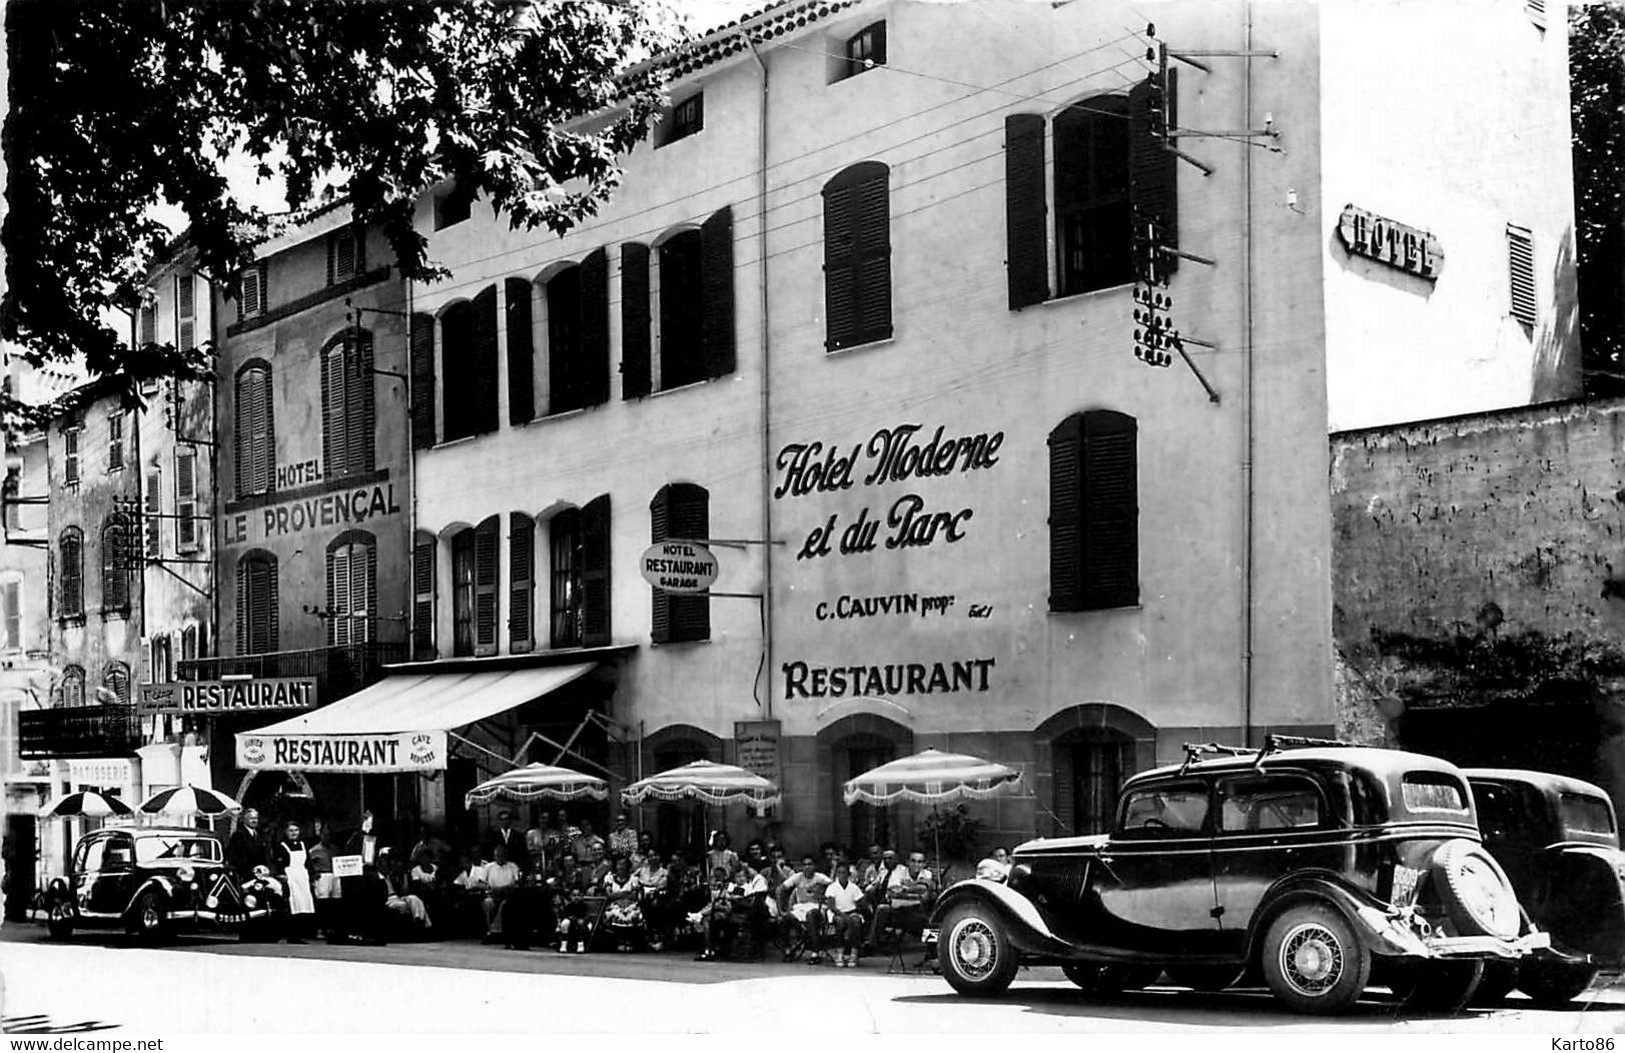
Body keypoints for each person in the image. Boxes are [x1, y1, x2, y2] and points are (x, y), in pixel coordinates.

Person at [778, 856, 832, 963]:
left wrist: (822, 893)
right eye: (805, 864)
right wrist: (781, 909)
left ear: (815, 866)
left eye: (810, 864)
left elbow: (833, 886)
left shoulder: (820, 878)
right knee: (785, 918)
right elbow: (780, 889)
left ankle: (815, 953)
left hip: (817, 907)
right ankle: (788, 950)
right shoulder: (797, 877)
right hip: (800, 908)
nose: (807, 867)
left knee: (811, 915)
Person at [271, 819, 316, 944]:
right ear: (286, 832)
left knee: (304, 905)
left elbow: (308, 863)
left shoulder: (303, 845)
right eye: (290, 831)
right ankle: (292, 936)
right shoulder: (281, 846)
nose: (293, 833)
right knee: (293, 906)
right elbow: (278, 863)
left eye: (296, 830)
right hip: (291, 876)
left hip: (302, 876)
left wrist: (312, 877)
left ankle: (300, 934)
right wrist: (281, 875)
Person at [477, 843, 522, 943]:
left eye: (502, 855)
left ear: (506, 855)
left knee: (504, 905)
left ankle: (496, 933)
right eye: (497, 856)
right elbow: (480, 883)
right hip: (492, 893)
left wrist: (506, 888)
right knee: (488, 903)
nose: (499, 858)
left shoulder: (513, 866)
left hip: (508, 894)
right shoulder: (488, 867)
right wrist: (490, 888)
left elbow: (517, 883)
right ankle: (490, 931)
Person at [826, 861, 867, 968]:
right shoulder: (832, 887)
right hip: (837, 913)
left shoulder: (853, 887)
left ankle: (854, 953)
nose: (842, 875)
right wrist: (844, 916)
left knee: (856, 922)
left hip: (851, 912)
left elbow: (860, 903)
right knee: (840, 922)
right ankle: (840, 953)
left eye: (844, 873)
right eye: (839, 873)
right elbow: (831, 906)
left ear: (848, 874)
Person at [601, 856, 646, 951]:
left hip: (630, 905)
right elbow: (609, 896)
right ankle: (619, 941)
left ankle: (629, 941)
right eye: (619, 864)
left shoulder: (633, 879)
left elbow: (634, 896)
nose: (621, 867)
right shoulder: (609, 878)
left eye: (624, 864)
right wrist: (625, 894)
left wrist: (618, 894)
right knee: (614, 913)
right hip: (614, 905)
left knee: (634, 915)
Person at [381, 853, 433, 933]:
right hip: (390, 899)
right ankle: (425, 924)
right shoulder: (386, 875)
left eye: (400, 862)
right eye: (395, 862)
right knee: (404, 905)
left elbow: (408, 891)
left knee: (414, 898)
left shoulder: (405, 875)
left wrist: (406, 876)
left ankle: (418, 920)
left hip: (404, 898)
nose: (398, 864)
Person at [307, 819, 339, 939]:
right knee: (322, 904)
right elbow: (308, 864)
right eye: (324, 834)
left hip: (335, 876)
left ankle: (332, 928)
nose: (327, 836)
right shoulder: (314, 850)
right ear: (321, 835)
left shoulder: (335, 849)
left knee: (335, 903)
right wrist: (313, 874)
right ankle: (320, 929)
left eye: (329, 834)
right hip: (322, 876)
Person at [634, 850, 671, 950]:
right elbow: (633, 879)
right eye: (650, 856)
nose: (653, 858)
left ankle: (657, 938)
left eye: (655, 855)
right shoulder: (641, 870)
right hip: (641, 895)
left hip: (657, 896)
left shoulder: (664, 872)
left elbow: (663, 886)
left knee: (656, 905)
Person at [225, 808, 270, 880]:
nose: (254, 821)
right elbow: (235, 856)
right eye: (251, 818)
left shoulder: (261, 835)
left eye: (256, 818)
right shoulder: (238, 835)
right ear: (244, 820)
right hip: (244, 874)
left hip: (261, 873)